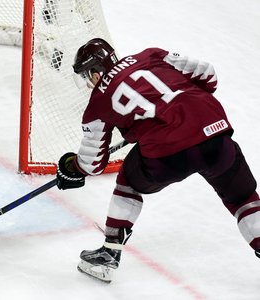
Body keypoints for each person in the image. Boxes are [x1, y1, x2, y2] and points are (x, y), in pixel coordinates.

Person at [56, 38, 260, 283]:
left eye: (88, 76)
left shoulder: (98, 102)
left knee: (128, 181)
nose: (89, 83)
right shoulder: (151, 55)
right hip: (215, 133)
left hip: (168, 154)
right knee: (243, 199)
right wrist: (185, 107)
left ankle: (109, 254)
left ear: (96, 72)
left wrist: (72, 167)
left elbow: (92, 163)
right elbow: (208, 74)